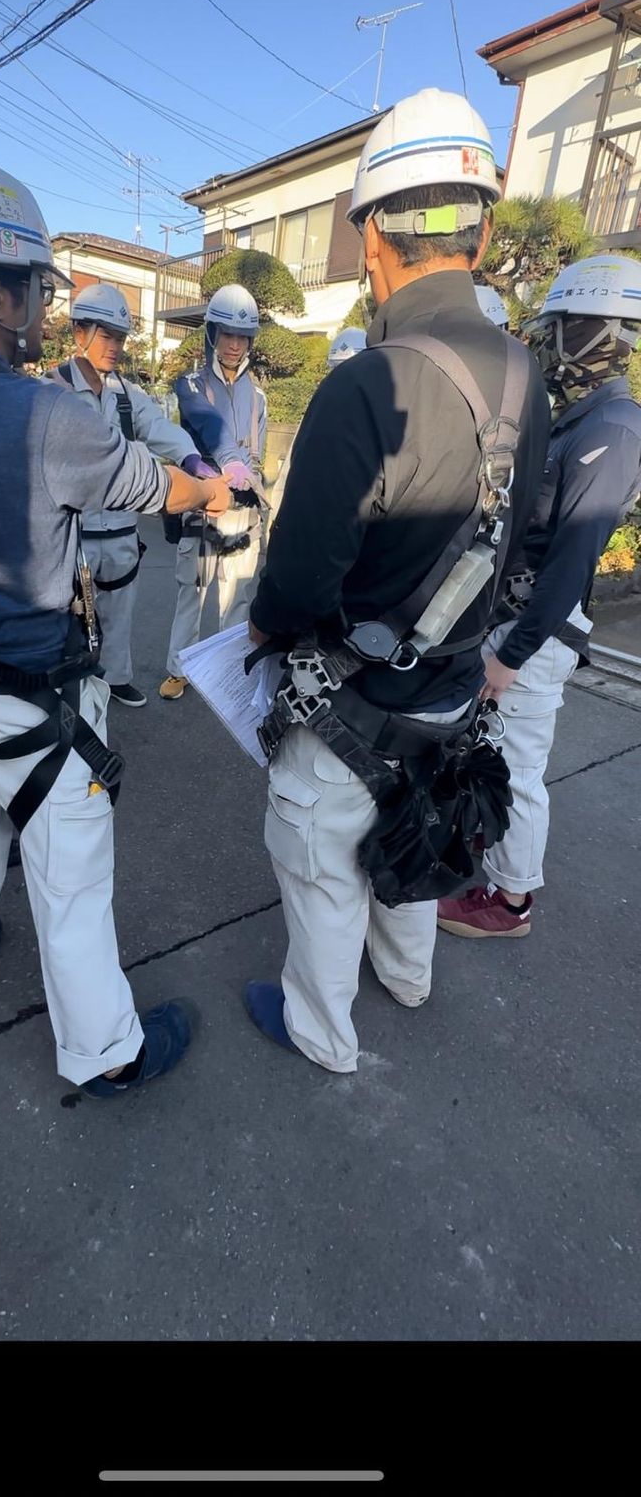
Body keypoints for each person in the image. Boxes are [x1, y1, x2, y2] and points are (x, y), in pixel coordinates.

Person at [0, 154, 231, 1099]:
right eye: (35, 288)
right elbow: (159, 486)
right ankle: (106, 1050)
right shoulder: (44, 413)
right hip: (35, 700)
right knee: (71, 884)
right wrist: (213, 487)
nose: (44, 307)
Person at [241, 88, 550, 1073]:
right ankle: (408, 978)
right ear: (483, 232)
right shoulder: (526, 375)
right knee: (417, 829)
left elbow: (296, 583)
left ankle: (321, 1032)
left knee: (324, 869)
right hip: (452, 690)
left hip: (353, 698)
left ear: (371, 235)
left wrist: (262, 631)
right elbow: (522, 541)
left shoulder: (364, 383)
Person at [438, 252, 641, 939]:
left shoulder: (612, 430)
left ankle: (511, 900)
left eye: (557, 329)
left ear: (594, 331)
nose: (546, 344)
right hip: (512, 618)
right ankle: (487, 851)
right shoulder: (576, 418)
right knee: (489, 747)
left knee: (518, 765)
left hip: (535, 629)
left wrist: (511, 655)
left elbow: (572, 560)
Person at [48, 282, 215, 708]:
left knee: (120, 612)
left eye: (120, 338)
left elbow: (159, 429)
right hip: (74, 532)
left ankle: (117, 679)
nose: (114, 347)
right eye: (106, 335)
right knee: (70, 619)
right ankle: (71, 688)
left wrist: (192, 460)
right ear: (79, 332)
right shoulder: (53, 390)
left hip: (122, 528)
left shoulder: (127, 395)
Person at [159, 284, 267, 700]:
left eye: (243, 336)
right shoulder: (190, 384)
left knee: (236, 598)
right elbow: (205, 422)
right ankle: (179, 669)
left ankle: (226, 673)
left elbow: (256, 452)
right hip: (202, 505)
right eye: (227, 334)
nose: (234, 345)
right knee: (192, 592)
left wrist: (249, 476)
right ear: (212, 334)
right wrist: (224, 464)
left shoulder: (258, 396)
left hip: (242, 508)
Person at [269, 327, 367, 525]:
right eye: (337, 370)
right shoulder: (315, 416)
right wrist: (277, 522)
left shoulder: (376, 423)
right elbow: (288, 476)